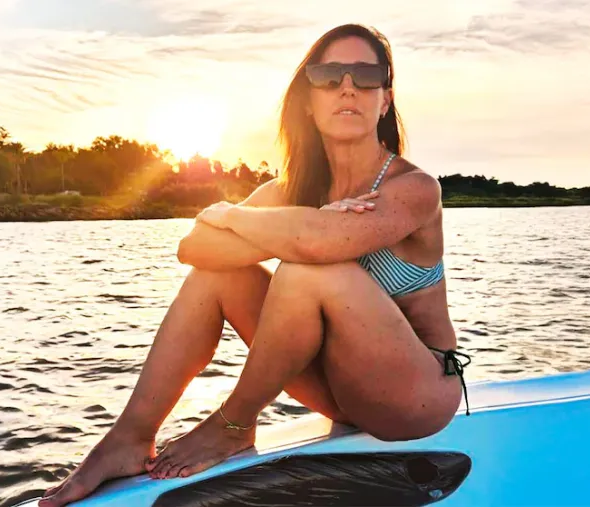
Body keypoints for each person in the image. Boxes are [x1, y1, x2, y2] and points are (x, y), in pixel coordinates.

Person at [37, 22, 470, 507]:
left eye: (366, 76)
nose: (347, 87)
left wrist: (234, 217)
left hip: (416, 395)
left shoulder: (412, 189)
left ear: (385, 100)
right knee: (219, 275)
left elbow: (316, 246)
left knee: (310, 270)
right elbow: (196, 248)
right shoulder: (289, 191)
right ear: (307, 100)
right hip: (337, 391)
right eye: (329, 75)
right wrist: (289, 225)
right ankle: (130, 436)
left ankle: (234, 421)